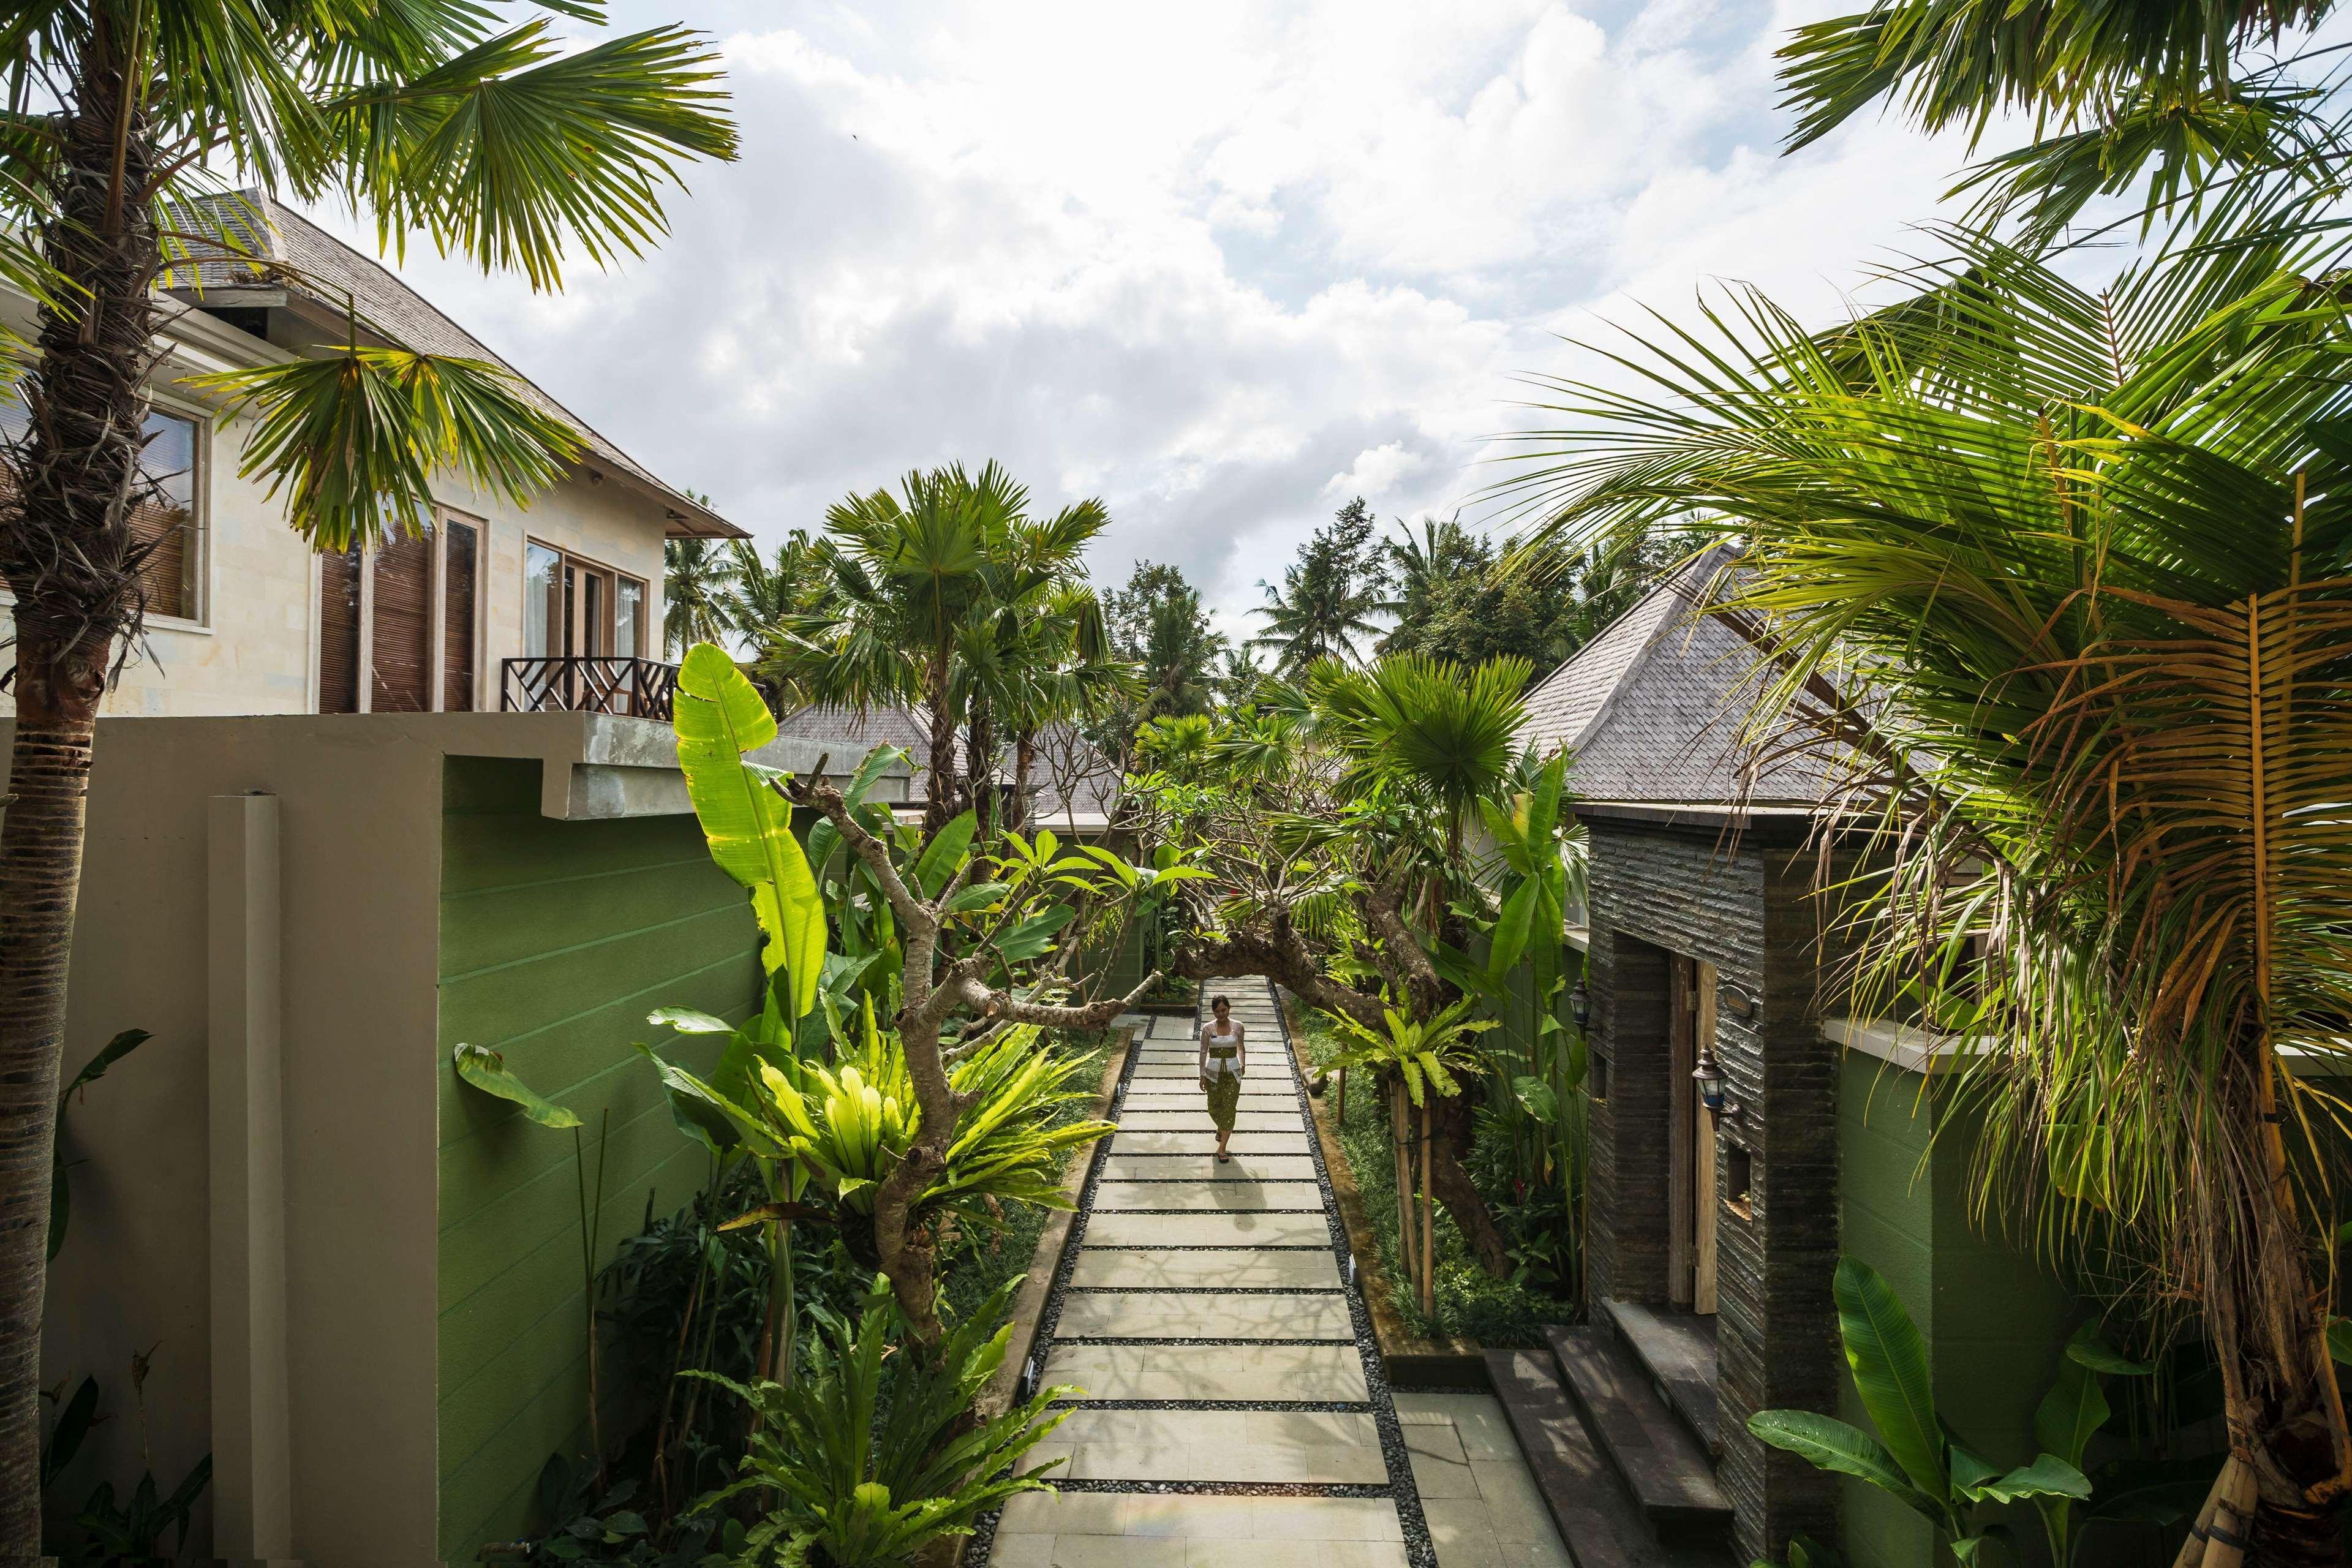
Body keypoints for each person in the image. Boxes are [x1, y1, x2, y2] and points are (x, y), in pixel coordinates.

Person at [1199, 993, 1246, 1164]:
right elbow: (1203, 1052)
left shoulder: (1238, 1026)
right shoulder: (1208, 1029)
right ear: (1213, 1012)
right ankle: (1221, 1127)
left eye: (1224, 1010)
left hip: (1233, 1073)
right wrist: (1202, 1075)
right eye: (1217, 1011)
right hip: (1213, 1073)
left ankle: (1222, 1148)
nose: (1221, 1014)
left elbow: (1241, 1047)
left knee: (1229, 1107)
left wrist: (1243, 1065)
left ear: (1229, 1008)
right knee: (1213, 1106)